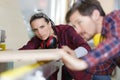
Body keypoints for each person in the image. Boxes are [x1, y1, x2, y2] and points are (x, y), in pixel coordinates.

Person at [19, 12, 92, 80]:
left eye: (42, 27)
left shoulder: (66, 30)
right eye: (35, 30)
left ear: (49, 24)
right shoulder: (37, 38)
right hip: (56, 76)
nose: (40, 32)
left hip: (78, 73)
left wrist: (71, 55)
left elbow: (86, 47)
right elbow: (24, 50)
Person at [61, 0, 120, 74]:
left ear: (95, 15)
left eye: (79, 22)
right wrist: (76, 59)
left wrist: (82, 63)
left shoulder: (116, 17)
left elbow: (117, 41)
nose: (77, 31)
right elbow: (106, 67)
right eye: (75, 26)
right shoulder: (105, 37)